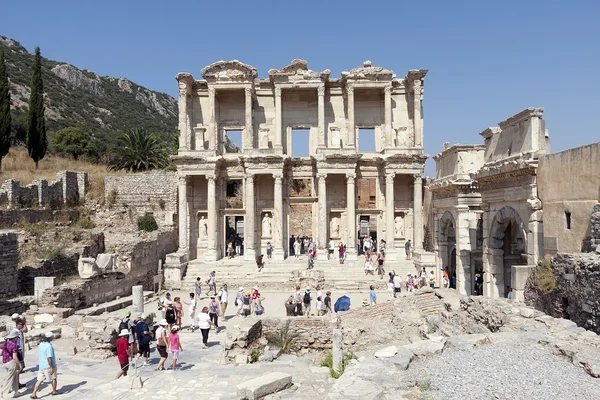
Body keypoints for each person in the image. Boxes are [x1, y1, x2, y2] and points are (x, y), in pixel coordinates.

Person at [30, 332, 59, 398]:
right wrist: (51, 367)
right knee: (54, 378)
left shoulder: (41, 344)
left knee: (39, 380)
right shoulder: (49, 346)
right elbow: (49, 358)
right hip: (48, 366)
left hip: (42, 366)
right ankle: (54, 391)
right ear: (50, 338)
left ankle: (33, 393)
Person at [1, 330, 22, 399]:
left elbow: (0, 353)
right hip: (12, 363)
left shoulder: (5, 343)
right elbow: (15, 357)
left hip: (5, 362)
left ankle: (16, 391)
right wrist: (20, 365)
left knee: (15, 377)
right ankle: (4, 392)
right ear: (15, 337)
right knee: (10, 378)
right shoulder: (14, 345)